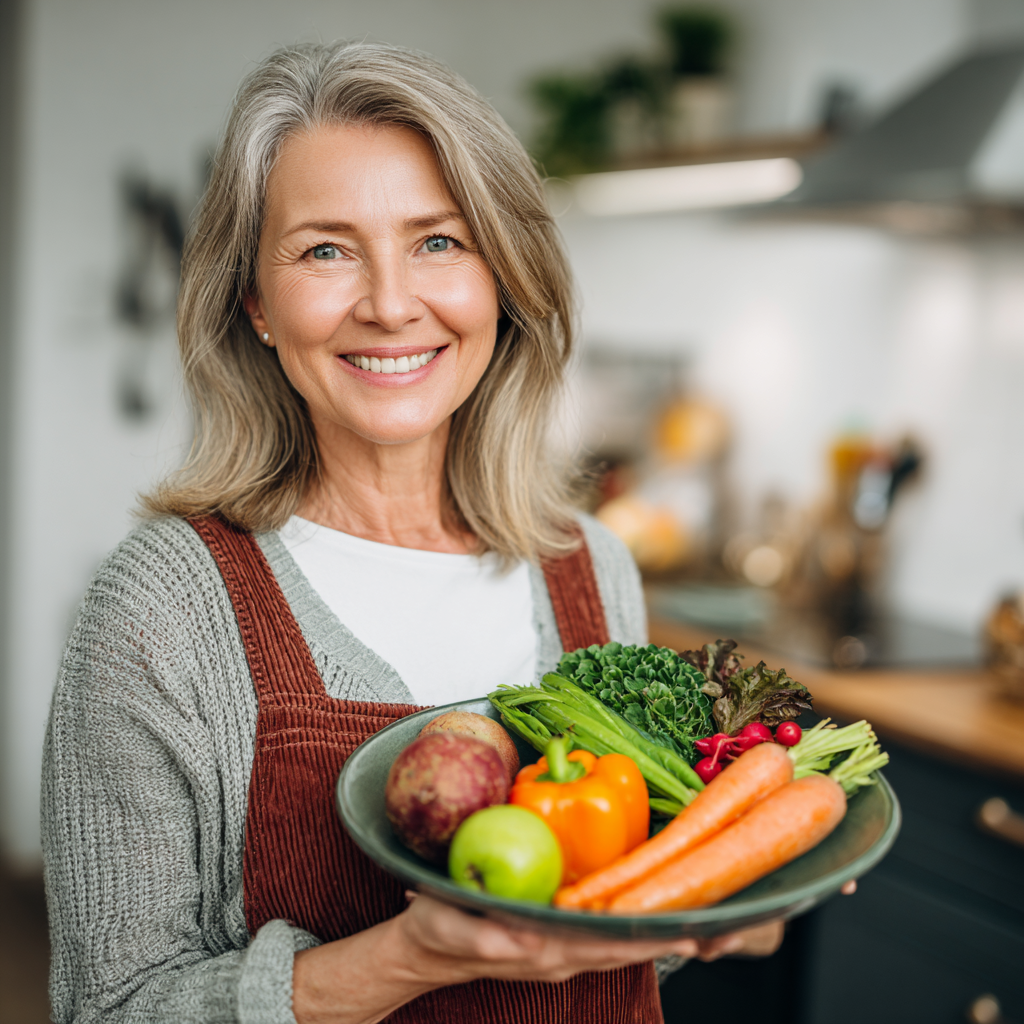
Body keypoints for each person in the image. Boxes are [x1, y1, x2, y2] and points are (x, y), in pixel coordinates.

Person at [41, 41, 792, 1024]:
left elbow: (599, 949)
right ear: (257, 305)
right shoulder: (158, 610)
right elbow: (109, 1009)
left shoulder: (589, 567)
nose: (392, 304)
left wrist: (718, 902)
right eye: (325, 249)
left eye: (438, 241)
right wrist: (402, 959)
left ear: (501, 278)